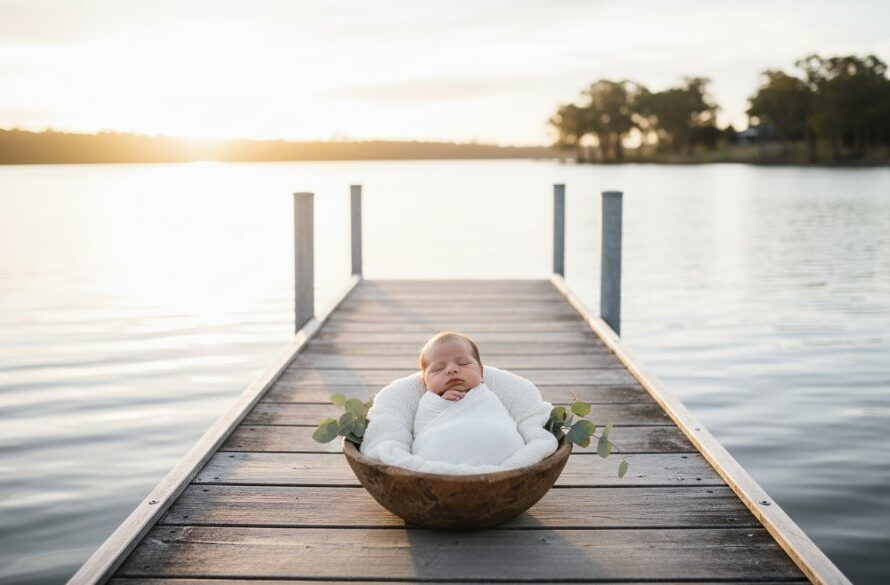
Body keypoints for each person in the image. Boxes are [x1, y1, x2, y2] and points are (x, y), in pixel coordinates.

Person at [411, 331, 525, 465]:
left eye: (463, 364)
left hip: (503, 451)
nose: (451, 370)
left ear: (481, 372)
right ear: (425, 382)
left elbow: (499, 416)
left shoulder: (485, 394)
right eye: (438, 369)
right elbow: (421, 430)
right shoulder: (429, 402)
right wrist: (443, 403)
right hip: (442, 456)